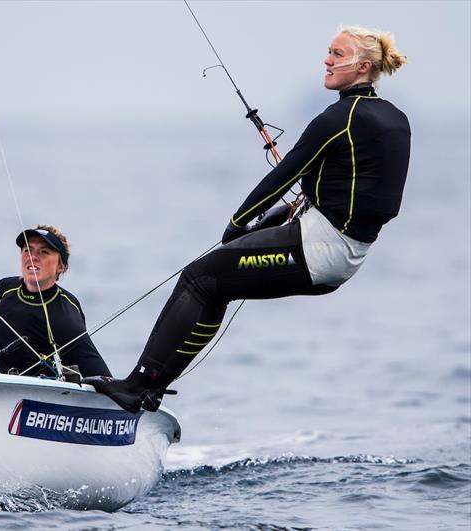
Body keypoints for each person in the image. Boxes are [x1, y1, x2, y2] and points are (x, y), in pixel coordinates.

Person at [84, 26, 410, 413]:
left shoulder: (340, 117)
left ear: (364, 66)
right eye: (328, 52)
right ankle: (150, 388)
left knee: (199, 279)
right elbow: (348, 190)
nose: (327, 60)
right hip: (345, 251)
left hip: (321, 248)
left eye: (338, 54)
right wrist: (278, 218)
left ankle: (139, 384)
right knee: (216, 282)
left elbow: (283, 175)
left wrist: (239, 222)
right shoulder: (395, 118)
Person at [0, 225, 112, 378]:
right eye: (27, 250)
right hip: (8, 391)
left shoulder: (65, 314)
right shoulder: (5, 289)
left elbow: (100, 374)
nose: (33, 257)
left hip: (49, 398)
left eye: (44, 252)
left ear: (61, 266)